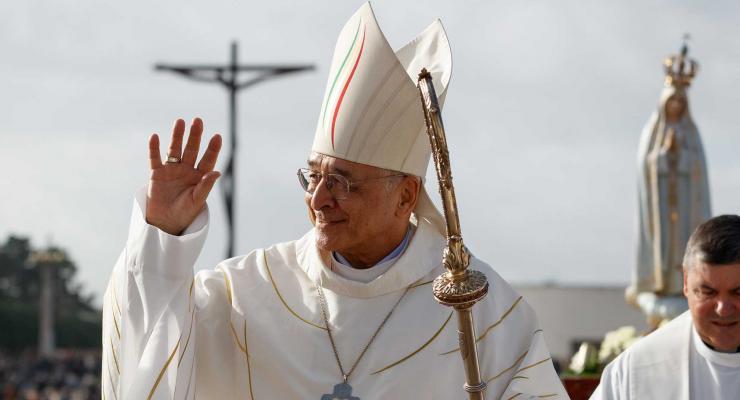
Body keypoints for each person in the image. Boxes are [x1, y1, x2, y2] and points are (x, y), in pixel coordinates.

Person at [101, 3, 566, 399]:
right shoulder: (248, 294)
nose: (319, 199)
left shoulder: (481, 311)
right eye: (313, 176)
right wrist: (163, 238)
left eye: (343, 182)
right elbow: (156, 341)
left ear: (405, 195)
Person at [592, 215, 740, 400]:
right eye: (708, 292)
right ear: (686, 282)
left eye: (738, 292)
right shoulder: (634, 371)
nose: (723, 309)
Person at [626, 45, 711, 325]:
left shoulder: (691, 133)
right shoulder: (654, 131)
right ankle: (661, 282)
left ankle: (682, 282)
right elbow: (645, 166)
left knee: (684, 241)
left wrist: (682, 157)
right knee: (664, 247)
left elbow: (698, 170)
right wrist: (663, 157)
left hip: (685, 203)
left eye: (679, 104)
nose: (675, 107)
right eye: (671, 103)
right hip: (661, 205)